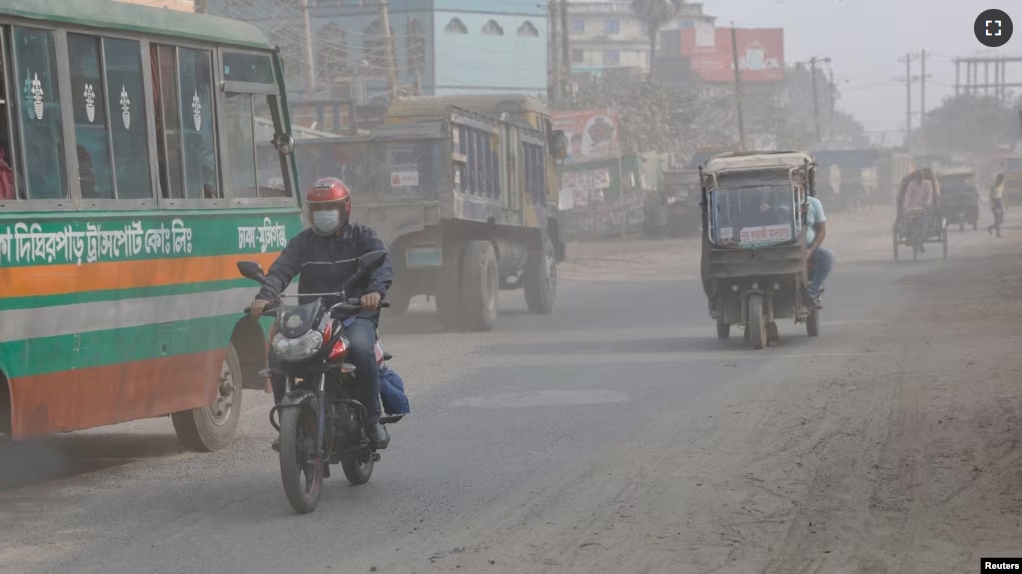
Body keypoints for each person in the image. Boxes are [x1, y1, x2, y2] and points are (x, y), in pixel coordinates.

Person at [249, 177, 394, 450]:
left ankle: (372, 420)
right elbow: (281, 270)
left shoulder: (363, 236)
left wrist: (374, 293)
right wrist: (265, 295)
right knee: (277, 352)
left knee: (362, 348)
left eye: (331, 207)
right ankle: (287, 425)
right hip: (312, 317)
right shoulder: (304, 242)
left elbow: (382, 266)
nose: (324, 214)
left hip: (353, 314)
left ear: (345, 208)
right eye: (317, 209)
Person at [803, 193, 832, 306]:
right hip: (781, 250)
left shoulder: (813, 203)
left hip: (808, 249)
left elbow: (821, 231)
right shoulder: (773, 201)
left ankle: (812, 291)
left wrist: (811, 250)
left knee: (827, 257)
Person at [902, 171, 935, 251]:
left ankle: (922, 239)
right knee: (908, 220)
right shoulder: (912, 184)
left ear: (923, 178)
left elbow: (929, 195)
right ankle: (908, 235)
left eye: (921, 178)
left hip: (924, 206)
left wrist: (927, 204)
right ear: (915, 178)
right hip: (912, 206)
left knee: (923, 223)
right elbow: (908, 195)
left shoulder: (928, 183)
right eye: (917, 178)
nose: (919, 180)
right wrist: (905, 206)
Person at [988, 173, 1006, 238]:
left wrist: (1005, 203)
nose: (1001, 180)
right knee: (997, 219)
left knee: (1001, 221)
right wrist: (992, 205)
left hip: (1000, 202)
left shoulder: (1002, 186)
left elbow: (1003, 195)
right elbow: (990, 197)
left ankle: (990, 228)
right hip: (994, 202)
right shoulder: (993, 186)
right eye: (1000, 179)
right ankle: (998, 234)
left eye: (1002, 179)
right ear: (997, 178)